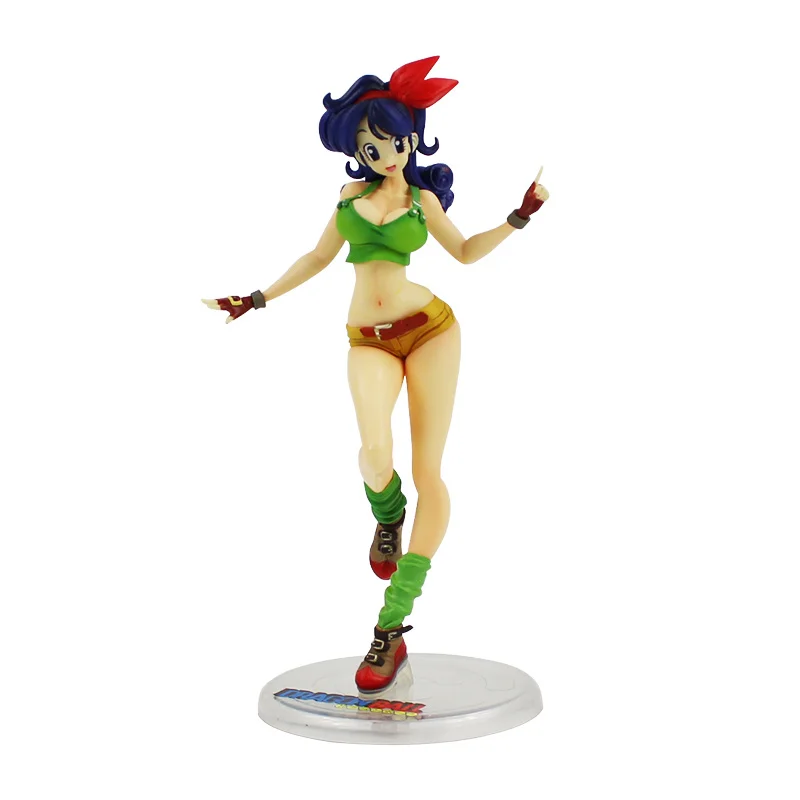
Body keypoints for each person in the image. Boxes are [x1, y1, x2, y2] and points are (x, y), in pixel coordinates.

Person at [203, 56, 549, 694]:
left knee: (429, 470)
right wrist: (257, 298)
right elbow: (316, 256)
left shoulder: (420, 199)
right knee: (373, 452)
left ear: (413, 138)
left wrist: (518, 217)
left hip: (432, 329)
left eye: (396, 142)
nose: (387, 155)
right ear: (355, 150)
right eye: (371, 146)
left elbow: (465, 252)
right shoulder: (348, 200)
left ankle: (391, 624)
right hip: (368, 338)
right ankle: (388, 514)